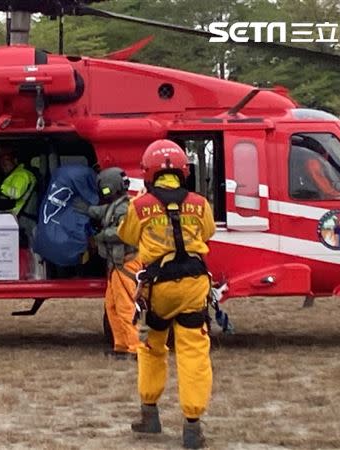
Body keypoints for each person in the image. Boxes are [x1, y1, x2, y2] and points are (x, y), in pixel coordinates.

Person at [117, 139, 215, 449]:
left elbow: (127, 235)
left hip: (159, 288)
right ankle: (192, 426)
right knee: (193, 352)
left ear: (149, 172)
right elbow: (208, 232)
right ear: (183, 171)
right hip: (194, 285)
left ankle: (149, 412)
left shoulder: (140, 205)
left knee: (153, 347)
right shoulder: (199, 202)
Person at [83, 167, 141, 359]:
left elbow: (121, 232)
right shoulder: (117, 205)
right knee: (112, 306)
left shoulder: (125, 209)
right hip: (116, 265)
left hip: (125, 263)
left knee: (125, 307)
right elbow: (102, 212)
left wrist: (99, 237)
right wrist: (83, 208)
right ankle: (121, 345)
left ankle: (134, 347)